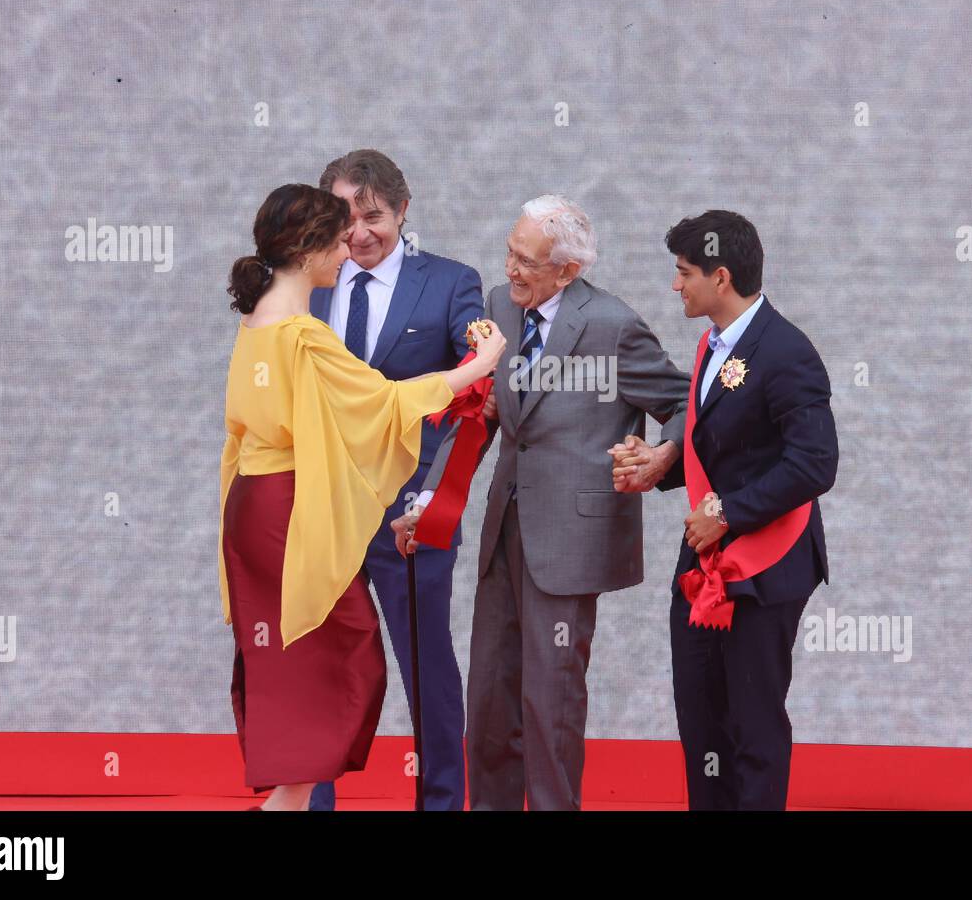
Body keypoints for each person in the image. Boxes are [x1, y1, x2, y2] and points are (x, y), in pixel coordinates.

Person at [392, 195, 690, 810]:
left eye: (527, 261)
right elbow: (479, 417)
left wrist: (662, 457)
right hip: (506, 531)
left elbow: (687, 404)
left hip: (572, 540)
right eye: (509, 252)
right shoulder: (501, 308)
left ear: (568, 271)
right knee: (492, 699)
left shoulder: (613, 325)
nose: (511, 270)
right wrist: (430, 501)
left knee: (549, 702)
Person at [219, 183, 504, 811]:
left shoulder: (256, 323)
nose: (352, 245)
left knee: (308, 656)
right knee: (339, 657)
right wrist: (479, 364)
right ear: (313, 248)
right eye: (341, 236)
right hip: (299, 509)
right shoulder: (302, 334)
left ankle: (289, 798)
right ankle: (290, 800)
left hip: (260, 504)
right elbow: (382, 402)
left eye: (368, 221)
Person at [614, 209, 837, 810]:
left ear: (721, 276)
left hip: (766, 570)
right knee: (702, 722)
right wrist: (663, 461)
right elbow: (718, 441)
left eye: (683, 273)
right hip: (704, 565)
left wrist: (731, 513)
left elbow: (815, 464)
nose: (674, 285)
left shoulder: (787, 351)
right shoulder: (714, 343)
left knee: (753, 727)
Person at [306, 150, 483, 812]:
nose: (357, 233)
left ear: (403, 210)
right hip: (322, 515)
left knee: (426, 665)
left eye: (373, 216)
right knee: (320, 670)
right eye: (343, 217)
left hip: (409, 518)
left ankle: (440, 802)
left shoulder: (449, 283)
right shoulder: (309, 285)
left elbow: (476, 388)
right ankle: (312, 803)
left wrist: (437, 497)